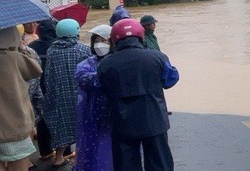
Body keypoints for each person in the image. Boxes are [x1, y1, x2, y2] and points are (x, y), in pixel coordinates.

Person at [98, 19, 179, 171]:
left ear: (115, 39)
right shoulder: (157, 57)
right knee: (159, 163)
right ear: (140, 35)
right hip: (153, 119)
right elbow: (170, 80)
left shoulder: (105, 64)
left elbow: (102, 89)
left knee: (125, 165)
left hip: (122, 123)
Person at [43, 19, 91, 168]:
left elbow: (48, 75)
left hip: (59, 96)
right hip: (80, 96)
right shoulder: (83, 49)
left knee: (61, 127)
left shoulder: (51, 51)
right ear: (76, 31)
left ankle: (58, 158)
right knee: (82, 127)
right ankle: (81, 159)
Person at [0, 26, 42, 171]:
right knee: (18, 165)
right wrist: (21, 48)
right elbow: (36, 70)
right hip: (15, 126)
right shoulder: (15, 58)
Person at [74, 25, 113, 171]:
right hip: (91, 113)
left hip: (113, 113)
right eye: (97, 40)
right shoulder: (87, 63)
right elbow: (83, 79)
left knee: (110, 145)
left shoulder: (117, 61)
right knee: (92, 145)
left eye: (104, 40)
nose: (100, 44)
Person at [27, 19, 57, 162]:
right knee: (58, 116)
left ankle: (45, 151)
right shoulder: (57, 45)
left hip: (37, 85)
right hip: (55, 86)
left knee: (41, 118)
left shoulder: (32, 47)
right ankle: (64, 151)